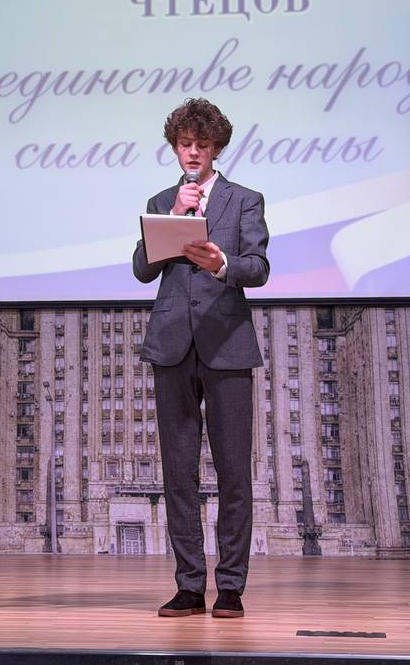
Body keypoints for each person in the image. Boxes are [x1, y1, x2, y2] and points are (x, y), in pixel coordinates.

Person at [132, 99, 270, 619]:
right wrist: (174, 217)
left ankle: (230, 585)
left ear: (217, 148)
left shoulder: (245, 200)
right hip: (171, 345)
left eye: (203, 145)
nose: (193, 152)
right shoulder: (161, 200)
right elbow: (142, 269)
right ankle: (189, 584)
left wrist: (222, 263)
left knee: (234, 471)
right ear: (175, 148)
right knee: (178, 472)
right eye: (186, 144)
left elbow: (258, 268)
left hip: (226, 342)